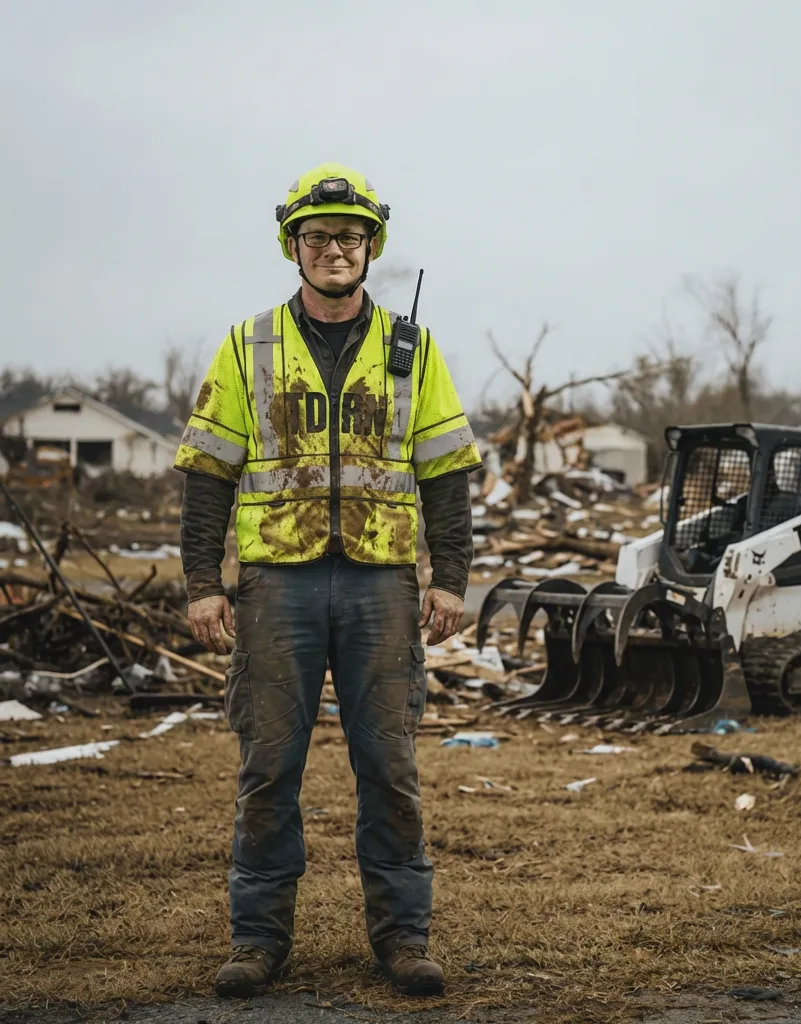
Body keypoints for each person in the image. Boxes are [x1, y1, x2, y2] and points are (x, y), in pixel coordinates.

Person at [174, 163, 480, 999]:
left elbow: (448, 471)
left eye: (349, 236)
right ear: (293, 248)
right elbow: (207, 472)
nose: (334, 250)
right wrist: (205, 582)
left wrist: (448, 576)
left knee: (390, 767)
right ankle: (258, 939)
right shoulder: (248, 345)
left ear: (371, 246)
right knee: (269, 768)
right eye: (318, 237)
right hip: (279, 590)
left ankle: (403, 936)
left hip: (381, 590)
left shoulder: (414, 352)